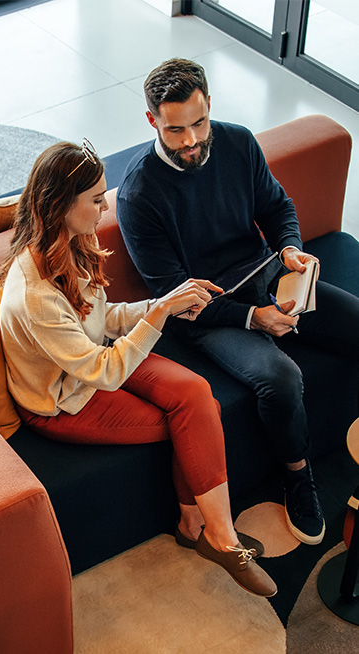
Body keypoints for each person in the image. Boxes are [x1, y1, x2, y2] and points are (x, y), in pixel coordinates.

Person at [0, 139, 277, 598]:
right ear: (61, 205)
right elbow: (104, 373)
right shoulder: (35, 296)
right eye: (95, 199)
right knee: (188, 419)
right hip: (61, 402)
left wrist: (163, 302)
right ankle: (220, 539)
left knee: (196, 395)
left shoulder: (72, 241)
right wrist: (158, 316)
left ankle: (196, 527)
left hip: (97, 357)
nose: (104, 207)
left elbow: (102, 318)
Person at [116, 58, 359, 547]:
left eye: (199, 123)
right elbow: (175, 295)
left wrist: (288, 245)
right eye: (176, 129)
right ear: (152, 122)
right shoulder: (138, 195)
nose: (190, 141)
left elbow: (276, 205)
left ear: (210, 106)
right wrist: (253, 318)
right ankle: (298, 477)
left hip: (266, 275)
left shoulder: (238, 141)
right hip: (204, 313)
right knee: (280, 379)